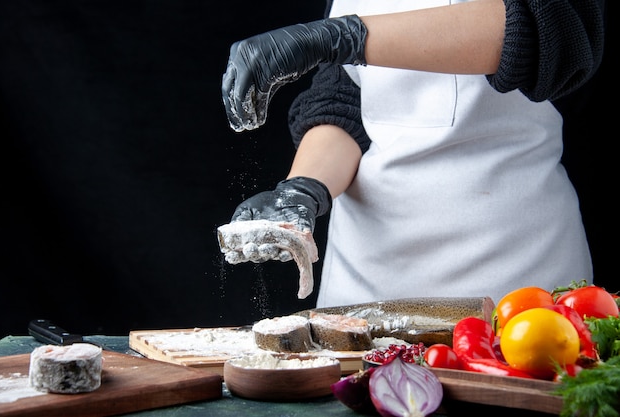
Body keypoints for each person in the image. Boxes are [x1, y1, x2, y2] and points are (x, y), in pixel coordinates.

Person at [220, 0, 606, 307]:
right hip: (363, 289)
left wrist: (341, 37)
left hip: (513, 278)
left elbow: (554, 29)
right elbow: (343, 100)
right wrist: (303, 188)